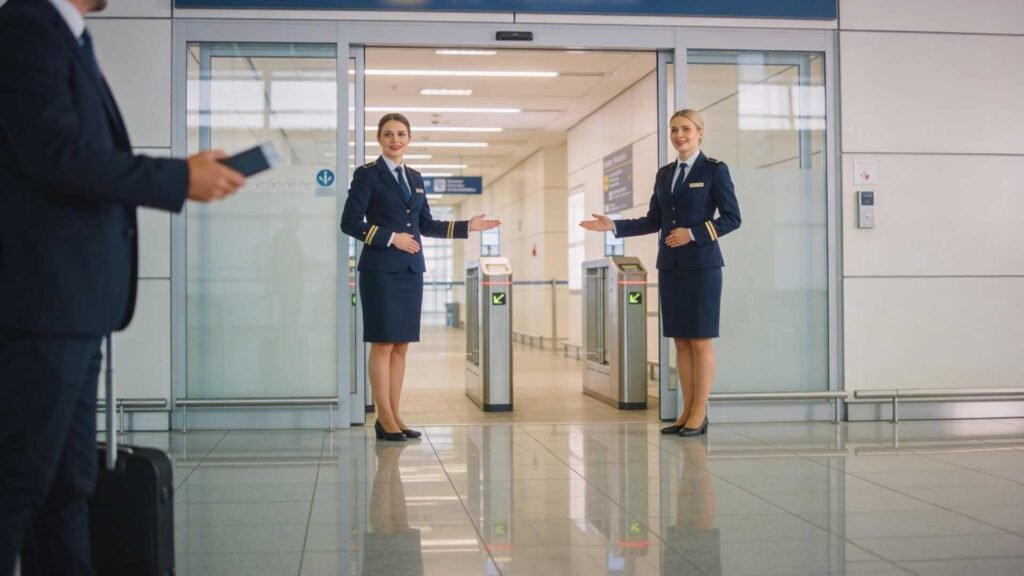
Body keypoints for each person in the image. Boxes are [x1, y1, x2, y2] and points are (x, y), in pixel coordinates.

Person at [0, 0, 246, 573]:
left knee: (68, 485)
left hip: (76, 308)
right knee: (19, 483)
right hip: (44, 306)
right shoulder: (25, 28)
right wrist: (178, 177)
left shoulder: (69, 37)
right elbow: (58, 155)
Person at [580, 109, 740, 437]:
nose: (679, 135)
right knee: (680, 341)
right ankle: (686, 411)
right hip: (670, 266)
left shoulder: (714, 170)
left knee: (700, 341)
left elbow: (732, 218)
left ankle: (700, 412)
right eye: (674, 130)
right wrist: (614, 226)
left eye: (686, 129)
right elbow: (654, 220)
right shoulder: (666, 175)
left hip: (702, 267)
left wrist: (692, 233)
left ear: (699, 133)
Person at [341, 113, 499, 442]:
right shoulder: (367, 175)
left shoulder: (415, 177)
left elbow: (425, 224)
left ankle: (394, 415)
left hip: (411, 270)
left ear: (409, 139)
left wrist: (467, 226)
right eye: (388, 134)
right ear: (379, 139)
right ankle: (383, 417)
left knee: (401, 346)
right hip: (380, 270)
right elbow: (350, 222)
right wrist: (391, 237)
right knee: (383, 343)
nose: (395, 140)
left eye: (401, 134)